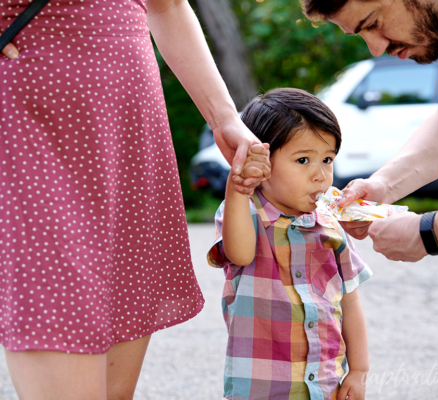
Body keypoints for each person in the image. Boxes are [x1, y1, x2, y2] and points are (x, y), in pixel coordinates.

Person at [0, 0, 266, 398]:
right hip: (34, 131)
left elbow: (169, 6)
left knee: (113, 393)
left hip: (127, 133)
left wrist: (224, 118)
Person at [208, 88, 373, 400]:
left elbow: (349, 301)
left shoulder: (331, 224)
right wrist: (238, 187)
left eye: (327, 159)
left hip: (324, 383)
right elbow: (240, 253)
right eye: (303, 160)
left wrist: (359, 370)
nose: (320, 175)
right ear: (261, 161)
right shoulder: (245, 212)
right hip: (263, 387)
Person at [301, 0, 438, 262]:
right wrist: (383, 185)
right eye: (362, 33)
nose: (376, 49)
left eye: (373, 23)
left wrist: (428, 232)